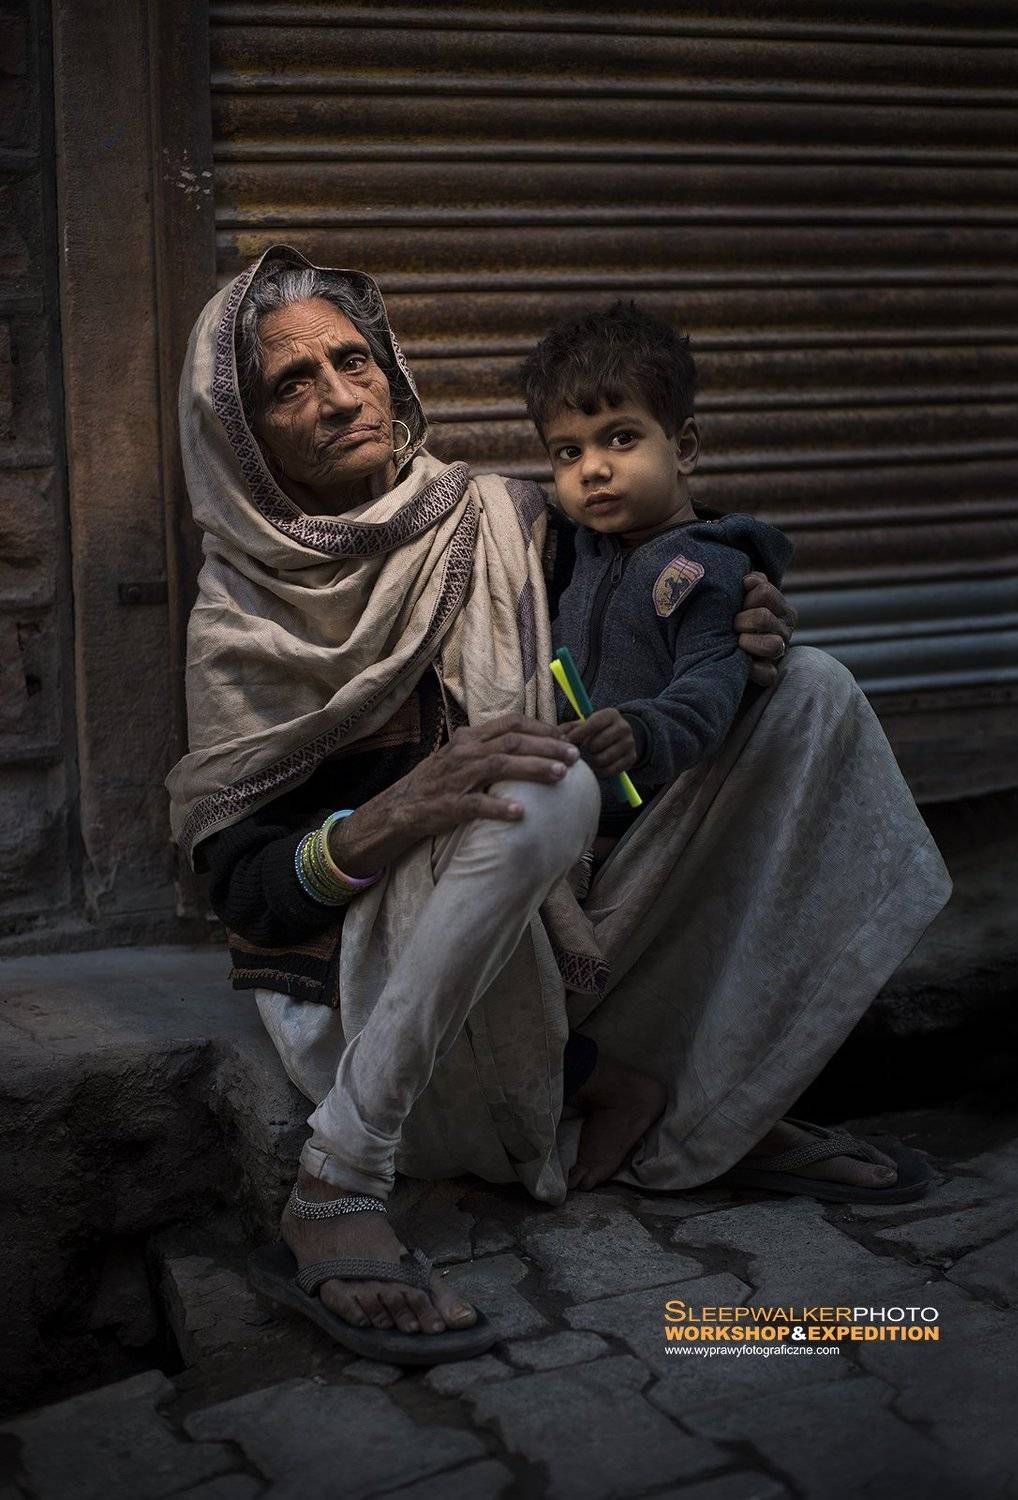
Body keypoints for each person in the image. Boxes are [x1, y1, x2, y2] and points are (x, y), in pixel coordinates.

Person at [166, 246, 952, 1365]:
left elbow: (661, 559)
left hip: (568, 931)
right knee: (535, 778)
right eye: (292, 383)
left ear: (392, 370)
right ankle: (337, 1179)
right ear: (239, 435)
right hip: (393, 1000)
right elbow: (246, 894)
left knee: (810, 691)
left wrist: (738, 620)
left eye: (354, 361)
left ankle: (712, 1106)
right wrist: (397, 813)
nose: (339, 397)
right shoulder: (238, 621)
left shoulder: (503, 518)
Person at [521, 299, 795, 879]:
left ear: (684, 448)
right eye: (569, 452)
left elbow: (708, 695)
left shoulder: (709, 570)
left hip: (654, 830)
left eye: (621, 438)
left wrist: (642, 734)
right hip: (567, 809)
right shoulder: (574, 548)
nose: (592, 469)